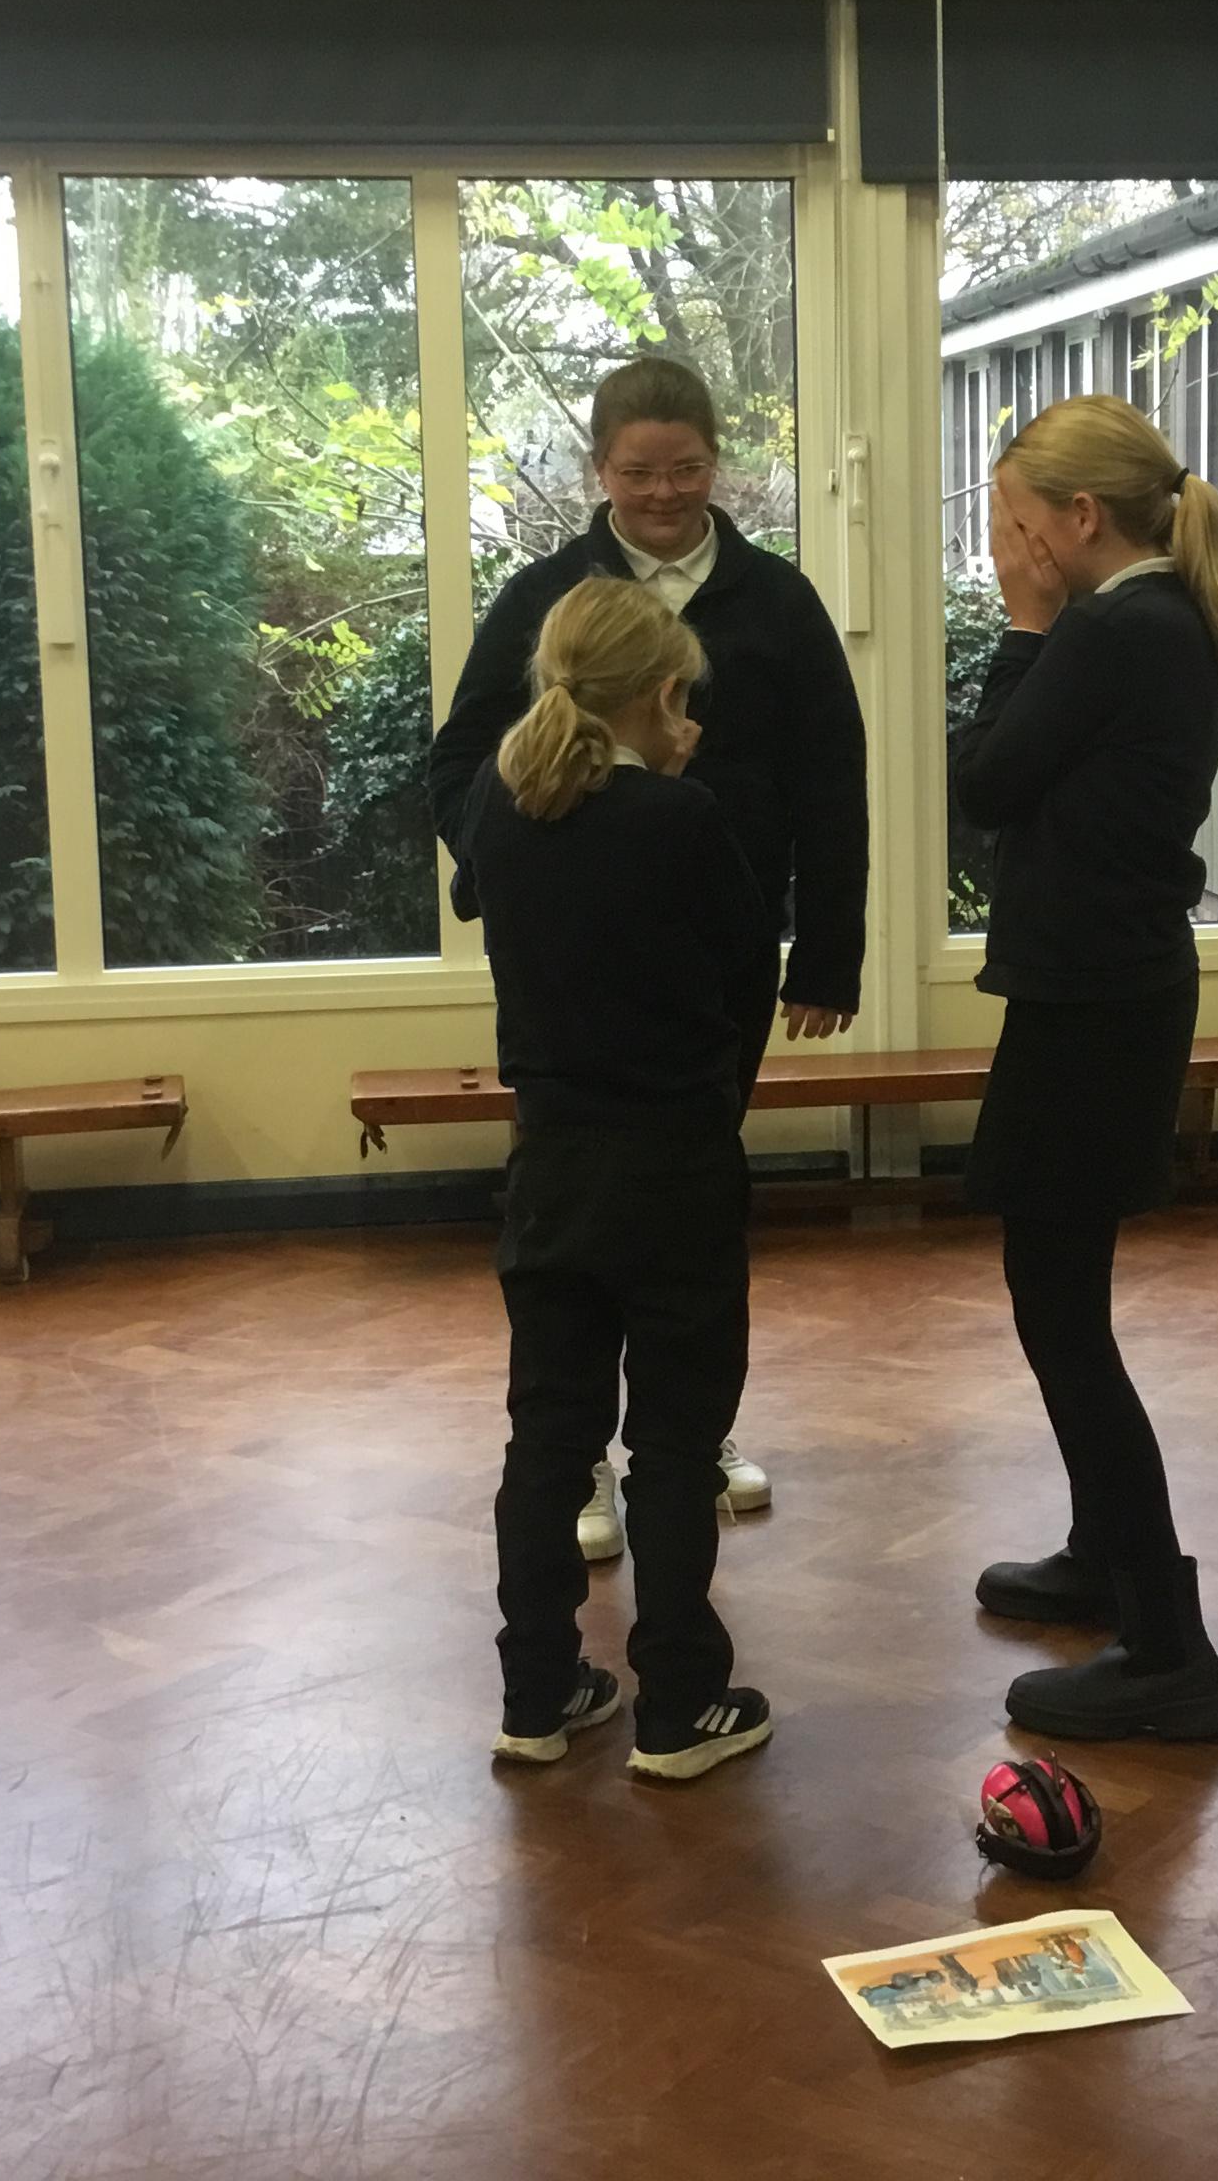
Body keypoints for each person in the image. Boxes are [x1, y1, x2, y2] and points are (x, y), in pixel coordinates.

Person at [429, 357, 868, 1561]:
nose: (665, 492)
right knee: (573, 1207)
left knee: (691, 1195)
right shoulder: (544, 597)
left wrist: (829, 953)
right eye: (638, 472)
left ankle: (687, 1429)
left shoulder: (779, 601)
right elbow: (460, 760)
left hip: (716, 959)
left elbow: (834, 779)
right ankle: (576, 1453)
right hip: (568, 973)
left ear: (717, 464)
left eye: (688, 469)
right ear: (599, 471)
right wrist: (505, 864)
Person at [950, 394, 1218, 1745]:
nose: (1006, 551)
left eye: (1013, 524)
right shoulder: (1154, 619)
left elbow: (983, 783)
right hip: (1109, 991)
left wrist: (1025, 628)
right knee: (1061, 1297)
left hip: (1096, 1004)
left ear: (1079, 520)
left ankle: (1168, 1651)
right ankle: (1101, 1557)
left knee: (1061, 1312)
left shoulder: (1110, 629)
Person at [468, 576, 779, 1782]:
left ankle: (537, 1694)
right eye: (681, 697)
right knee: (675, 1442)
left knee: (548, 1437)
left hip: (550, 1165)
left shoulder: (501, 811)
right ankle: (679, 1706)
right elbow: (745, 980)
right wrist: (714, 1103)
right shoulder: (682, 820)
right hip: (675, 1167)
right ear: (658, 693)